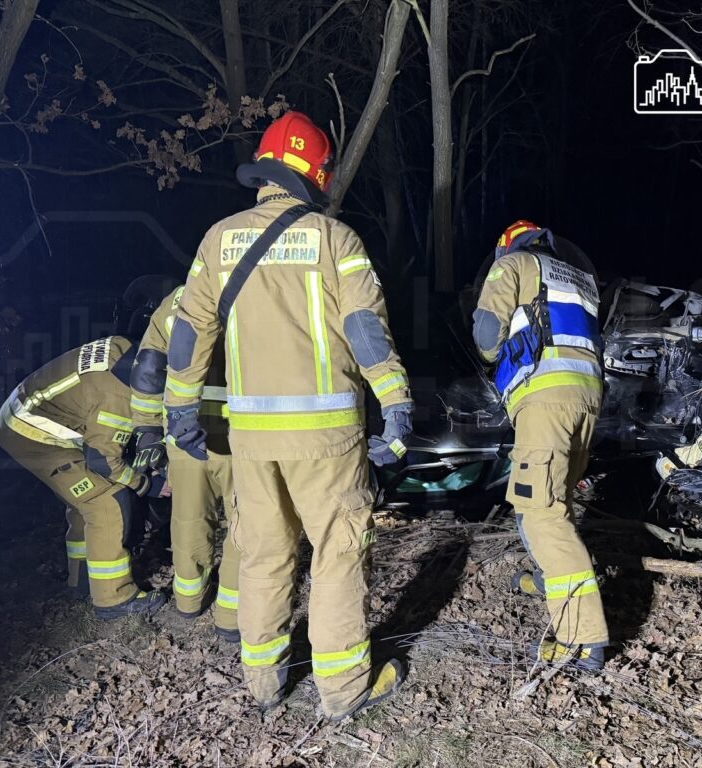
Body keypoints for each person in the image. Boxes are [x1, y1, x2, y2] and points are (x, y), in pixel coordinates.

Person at [163, 110, 413, 719]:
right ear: (315, 174)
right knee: (336, 551)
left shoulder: (217, 241)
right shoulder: (335, 240)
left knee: (263, 552)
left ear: (266, 172)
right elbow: (365, 331)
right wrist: (397, 403)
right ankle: (344, 687)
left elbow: (188, 331)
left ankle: (264, 682)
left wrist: (179, 409)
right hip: (327, 438)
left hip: (251, 438)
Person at [472, 220, 609, 670]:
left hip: (545, 401)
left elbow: (486, 335)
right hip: (586, 400)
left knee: (539, 512)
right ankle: (555, 578)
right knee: (559, 502)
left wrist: (496, 354)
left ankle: (580, 638)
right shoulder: (576, 278)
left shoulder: (513, 264)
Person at [0, 335, 169, 618]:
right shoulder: (117, 400)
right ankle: (113, 599)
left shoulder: (122, 348)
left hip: (20, 415)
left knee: (81, 503)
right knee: (105, 501)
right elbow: (105, 464)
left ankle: (82, 583)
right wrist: (148, 484)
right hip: (33, 436)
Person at [129, 285, 241, 641]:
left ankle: (189, 602)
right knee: (247, 521)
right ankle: (231, 616)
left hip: (185, 431)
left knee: (189, 519)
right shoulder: (260, 288)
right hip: (244, 432)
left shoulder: (179, 298)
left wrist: (147, 429)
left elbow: (149, 365)